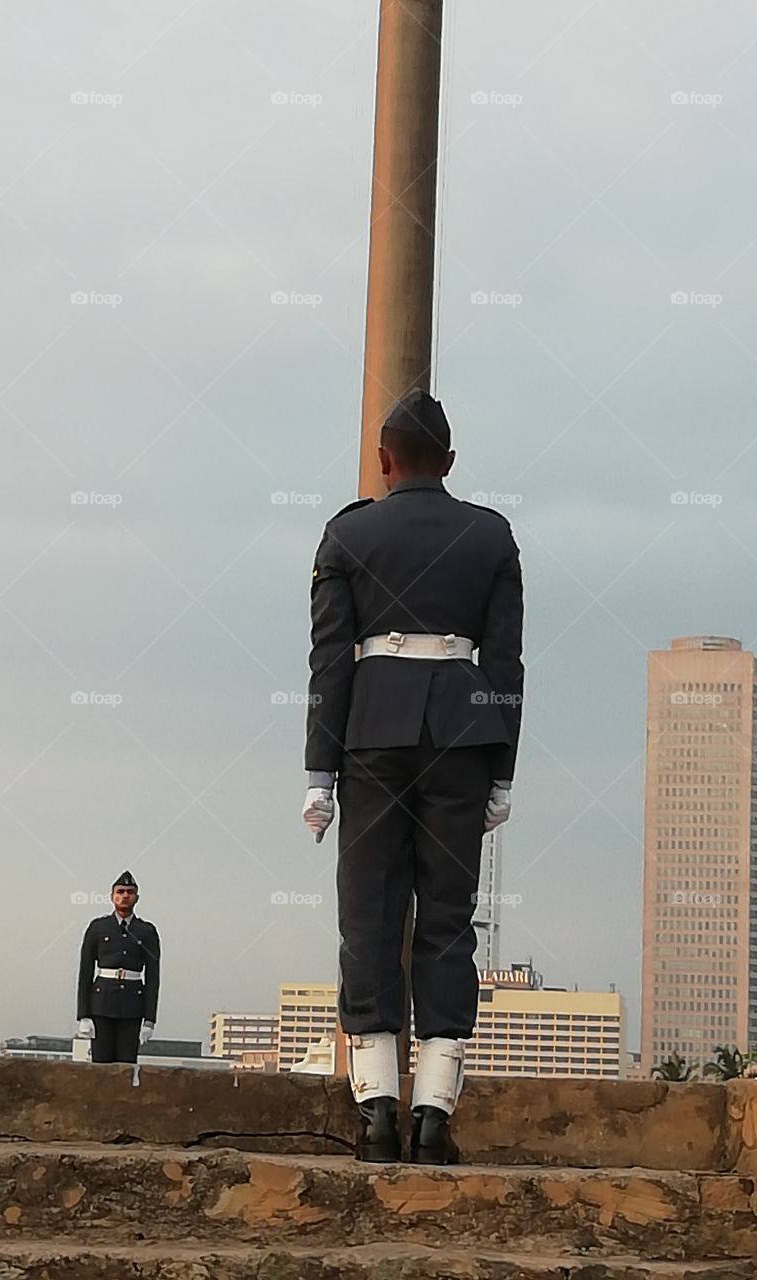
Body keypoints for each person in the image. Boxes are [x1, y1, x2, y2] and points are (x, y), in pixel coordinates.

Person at [302, 389, 523, 1163]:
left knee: (368, 914)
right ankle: (435, 1114)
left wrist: (318, 773)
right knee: (448, 920)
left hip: (371, 736)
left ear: (385, 462)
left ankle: (378, 1114)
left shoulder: (348, 533)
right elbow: (504, 665)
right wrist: (503, 768)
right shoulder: (491, 537)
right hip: (464, 735)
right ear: (451, 463)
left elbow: (329, 664)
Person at [76, 871, 161, 1064]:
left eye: (129, 892)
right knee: (101, 1064)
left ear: (136, 898)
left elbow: (153, 977)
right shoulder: (98, 927)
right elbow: (85, 972)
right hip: (101, 1002)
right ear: (111, 896)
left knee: (126, 1065)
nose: (124, 896)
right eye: (120, 891)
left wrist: (149, 1019)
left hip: (132, 1005)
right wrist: (83, 1015)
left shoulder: (146, 931)